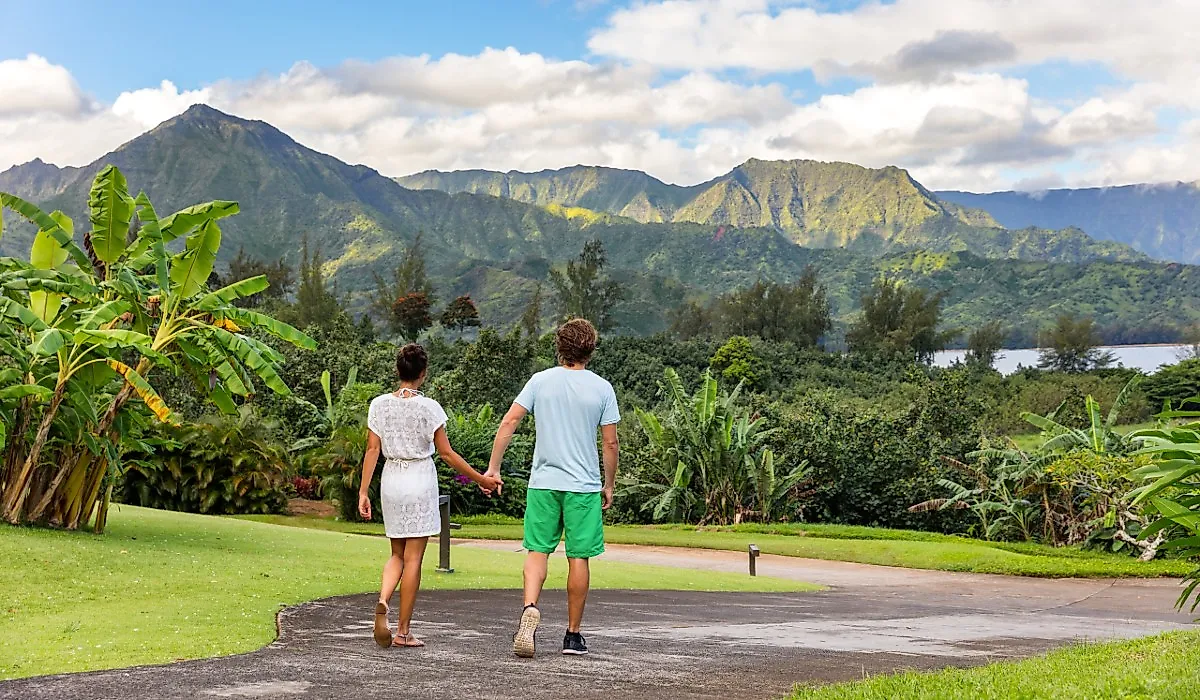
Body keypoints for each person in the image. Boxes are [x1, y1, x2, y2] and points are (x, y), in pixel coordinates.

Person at [486, 318, 620, 657]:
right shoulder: (602, 388)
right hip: (584, 486)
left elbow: (510, 421)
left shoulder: (539, 381)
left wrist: (493, 467)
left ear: (559, 347)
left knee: (537, 551)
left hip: (543, 482)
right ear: (591, 348)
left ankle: (530, 607)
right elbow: (610, 443)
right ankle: (573, 635)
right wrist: (609, 484)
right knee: (579, 557)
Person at [359, 343, 501, 648]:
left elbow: (372, 450)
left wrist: (362, 491)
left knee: (396, 554)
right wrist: (481, 479)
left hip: (391, 480)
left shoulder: (379, 405)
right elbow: (447, 454)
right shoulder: (429, 408)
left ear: (398, 371)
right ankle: (403, 631)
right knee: (414, 560)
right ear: (423, 374)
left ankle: (384, 599)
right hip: (419, 479)